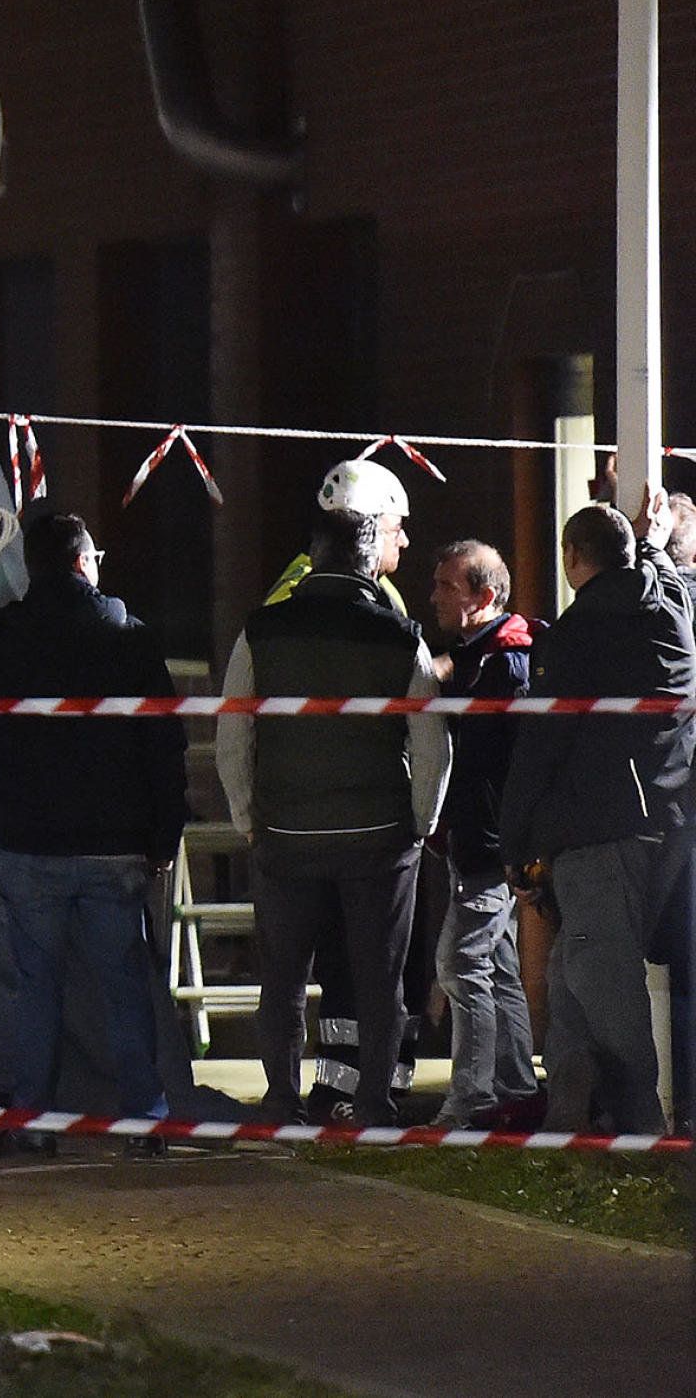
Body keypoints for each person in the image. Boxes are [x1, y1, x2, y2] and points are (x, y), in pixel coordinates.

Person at [0, 511, 185, 1152]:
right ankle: (146, 1121)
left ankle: (33, 1124)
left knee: (36, 990)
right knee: (126, 990)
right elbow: (164, 746)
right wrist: (163, 837)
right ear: (84, 562)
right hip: (115, 844)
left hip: (26, 843)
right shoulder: (130, 639)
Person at [216, 473, 450, 1126]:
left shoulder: (260, 631)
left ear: (313, 556)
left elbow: (233, 731)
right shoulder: (402, 636)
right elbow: (432, 742)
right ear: (369, 557)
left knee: (284, 984)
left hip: (286, 835)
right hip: (378, 837)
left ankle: (282, 1102)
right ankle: (374, 1104)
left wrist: (247, 817)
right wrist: (421, 822)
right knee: (380, 984)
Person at [498, 495, 694, 1136]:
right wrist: (657, 542)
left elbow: (542, 743)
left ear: (572, 557)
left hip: (599, 828)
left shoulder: (580, 632)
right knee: (571, 976)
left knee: (600, 981)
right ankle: (571, 1124)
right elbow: (661, 574)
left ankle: (642, 1135)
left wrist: (515, 838)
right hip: (662, 818)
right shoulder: (671, 609)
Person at [424, 540, 543, 1129]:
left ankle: (471, 1101)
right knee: (496, 967)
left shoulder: (506, 665)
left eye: (448, 587)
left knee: (460, 962)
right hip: (479, 839)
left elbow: (501, 764)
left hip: (491, 845)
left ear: (483, 597)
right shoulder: (482, 656)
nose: (434, 597)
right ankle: (517, 1088)